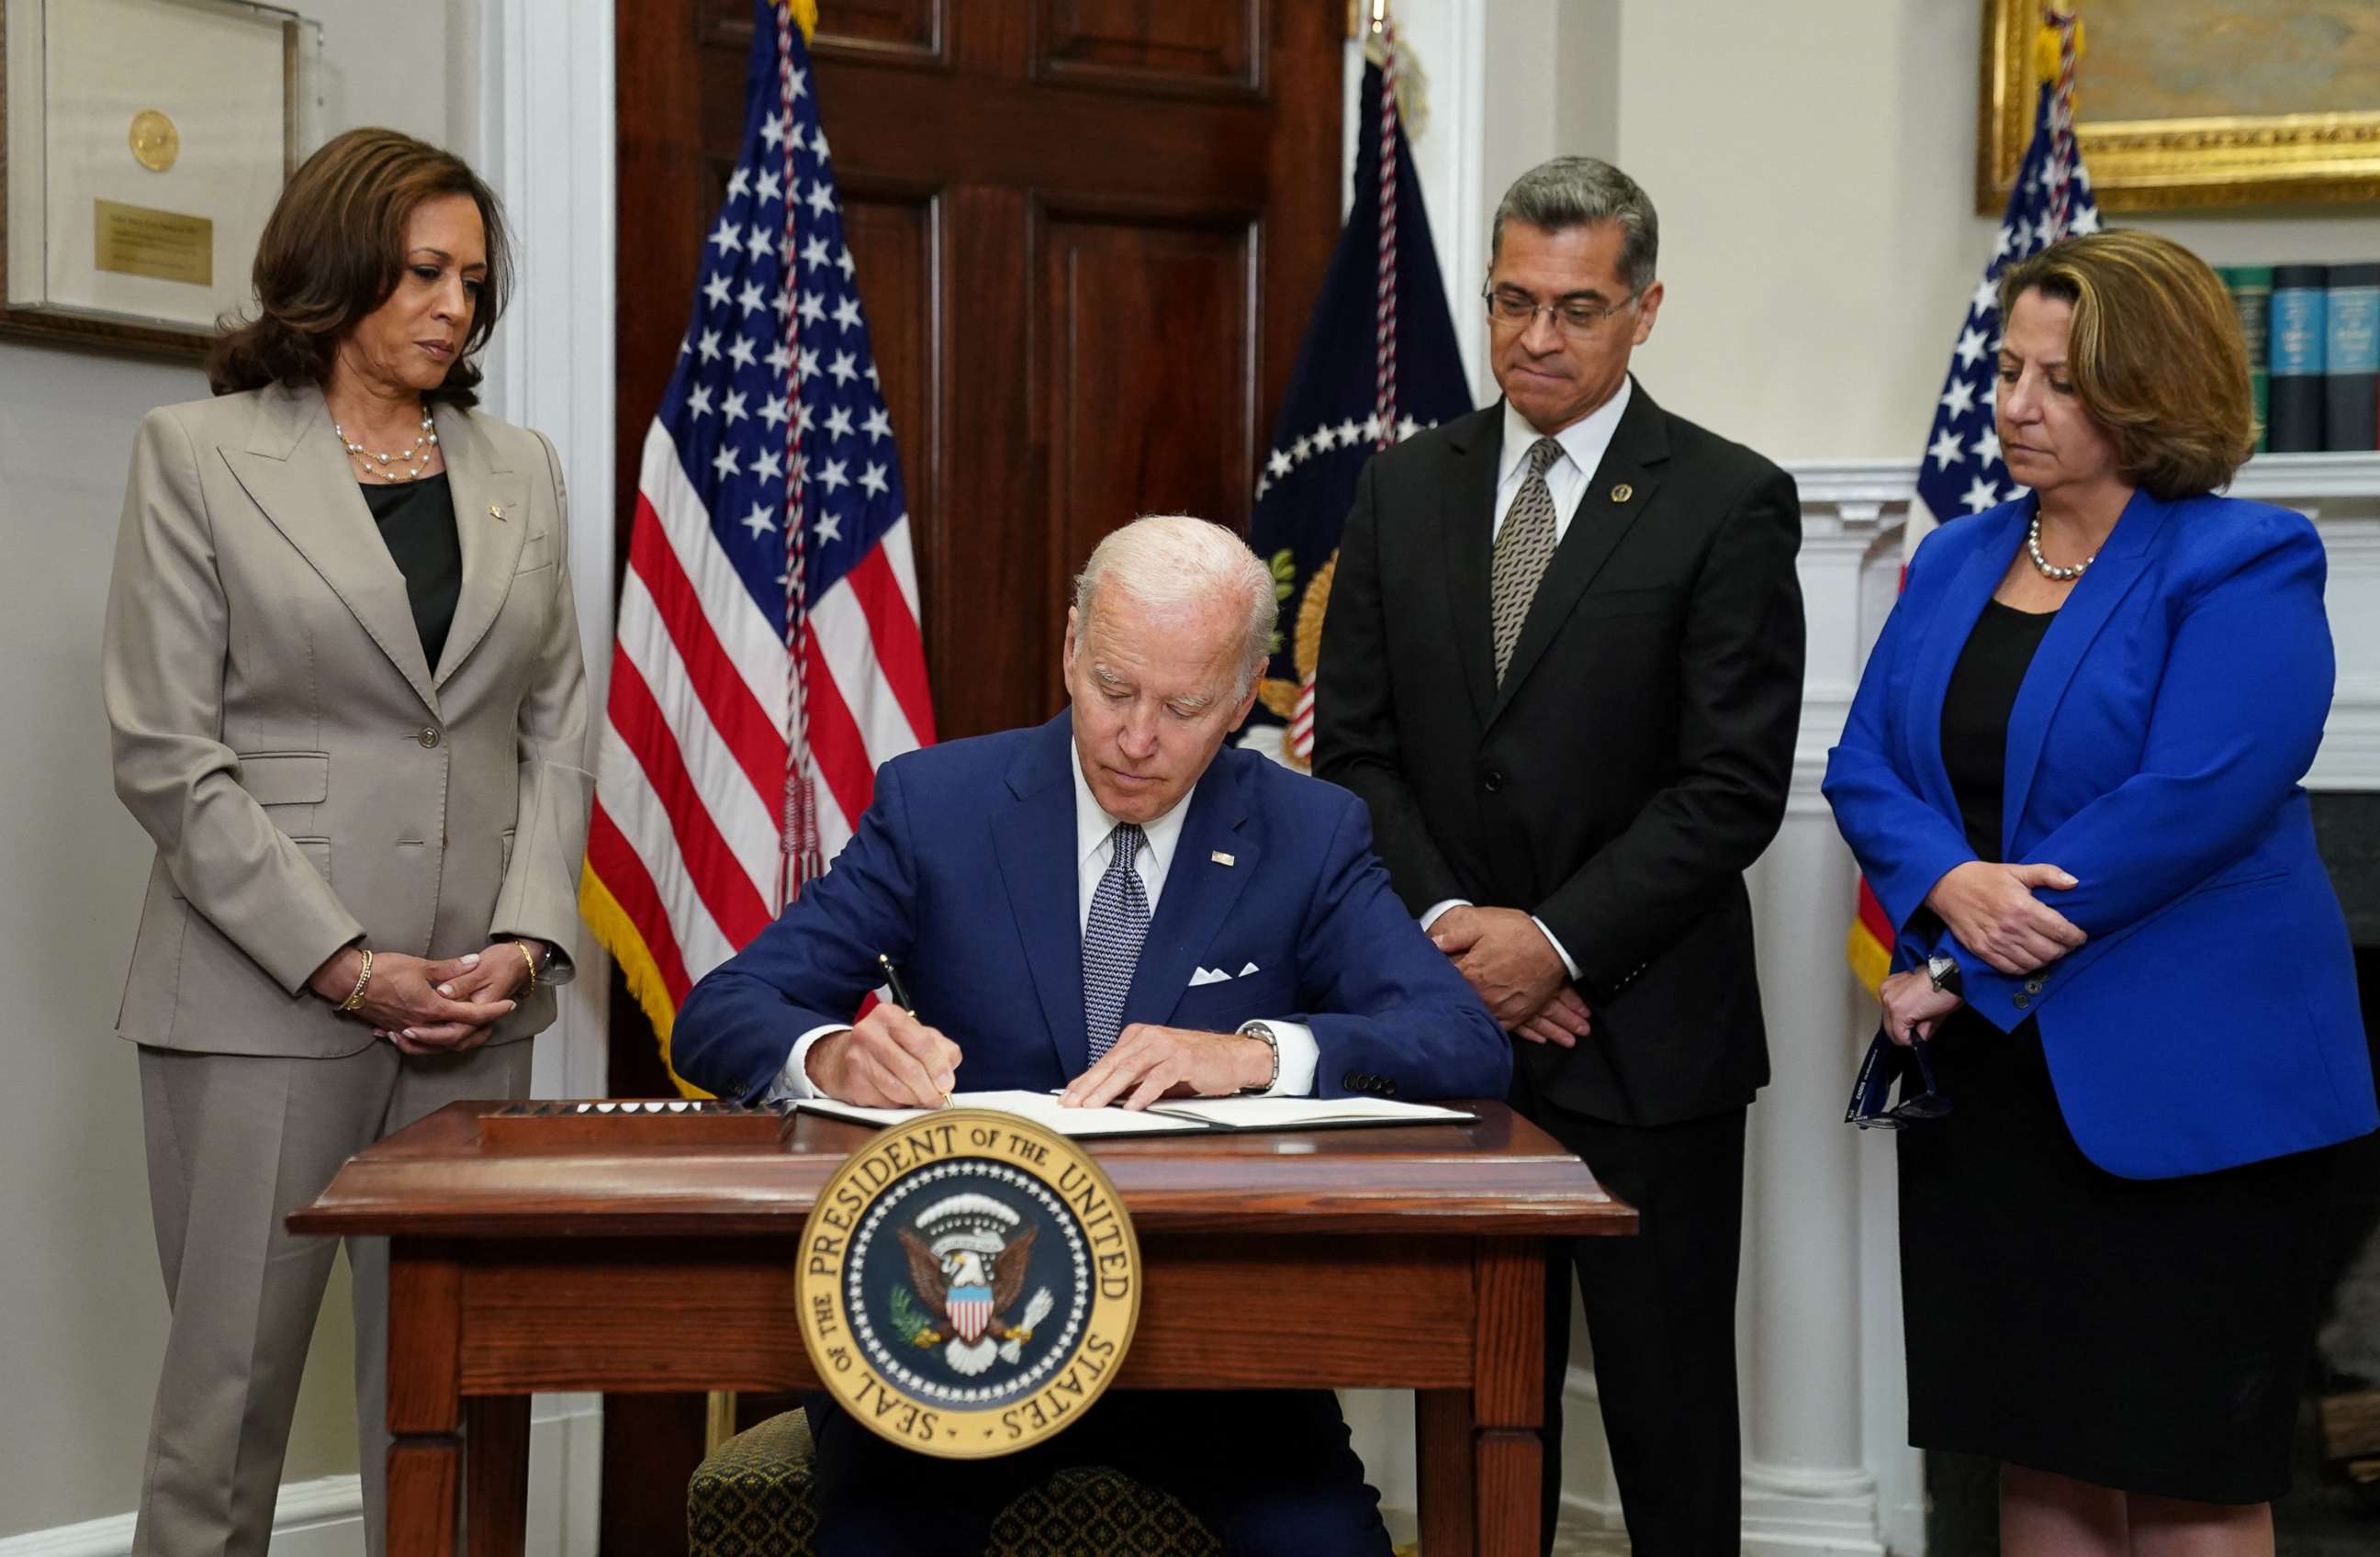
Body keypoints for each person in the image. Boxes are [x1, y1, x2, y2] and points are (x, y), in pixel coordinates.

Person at [672, 513, 1509, 1556]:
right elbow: (718, 1013)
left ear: (1245, 696)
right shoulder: (939, 805)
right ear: (1071, 647)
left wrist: (1255, 1054)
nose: (1137, 737)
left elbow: (1464, 1039)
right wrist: (830, 1055)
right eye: (1114, 688)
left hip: (1217, 1349)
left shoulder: (1309, 831)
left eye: (1185, 705)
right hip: (953, 1331)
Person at [1824, 230, 2378, 1554]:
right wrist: (1949, 883)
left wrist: (1968, 949)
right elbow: (1864, 766)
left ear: (2150, 386)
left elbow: (2193, 797)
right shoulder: (1958, 557)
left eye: (2058, 380)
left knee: (2186, 1474)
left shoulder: (2247, 557)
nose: (2015, 403)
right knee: (2042, 1462)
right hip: (2000, 1092)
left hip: (2193, 1098)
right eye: (2009, 371)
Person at [103, 128, 591, 1557]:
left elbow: (556, 728)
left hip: (480, 1003)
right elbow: (166, 755)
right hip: (263, 997)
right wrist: (347, 963)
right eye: (424, 271)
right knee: (229, 1402)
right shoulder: (196, 456)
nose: (454, 305)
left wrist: (525, 937)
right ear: (336, 270)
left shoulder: (524, 468)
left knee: (449, 1396)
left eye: (474, 281)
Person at [1313, 156, 1805, 1557]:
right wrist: (1468, 935)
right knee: (1473, 1401)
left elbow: (1730, 788)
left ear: (1645, 310)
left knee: (1665, 1422)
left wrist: (1557, 944)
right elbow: (1352, 751)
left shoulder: (1727, 500)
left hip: (1650, 1043)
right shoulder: (1404, 489)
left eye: (1578, 308)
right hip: (1448, 1026)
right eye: (1513, 300)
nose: (1538, 337)